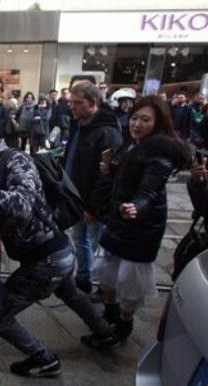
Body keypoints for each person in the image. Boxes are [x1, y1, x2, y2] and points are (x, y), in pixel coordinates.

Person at [0, 112, 110, 378]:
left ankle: (44, 358)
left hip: (48, 258)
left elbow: (23, 204)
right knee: (69, 292)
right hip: (50, 255)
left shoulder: (15, 160)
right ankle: (105, 333)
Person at [83, 96, 191, 348]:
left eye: (145, 119)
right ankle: (109, 318)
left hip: (141, 226)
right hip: (118, 220)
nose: (137, 124)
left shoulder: (159, 153)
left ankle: (121, 327)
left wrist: (136, 207)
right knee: (107, 273)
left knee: (128, 279)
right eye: (134, 118)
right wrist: (109, 171)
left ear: (158, 122)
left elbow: (149, 190)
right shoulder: (132, 145)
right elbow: (120, 181)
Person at [63, 83, 123, 293]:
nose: (73, 107)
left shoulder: (107, 132)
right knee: (80, 240)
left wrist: (93, 207)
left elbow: (106, 176)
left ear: (93, 103)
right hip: (76, 198)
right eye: (72, 102)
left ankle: (105, 289)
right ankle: (83, 279)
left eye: (78, 103)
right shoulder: (80, 125)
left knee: (100, 246)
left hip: (92, 204)